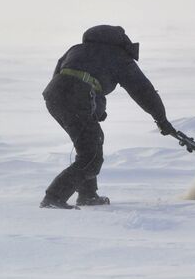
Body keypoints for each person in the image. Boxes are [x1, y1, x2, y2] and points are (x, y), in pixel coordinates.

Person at [40, 25, 176, 209]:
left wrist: (94, 106)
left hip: (54, 96)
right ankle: (54, 197)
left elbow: (65, 77)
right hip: (76, 96)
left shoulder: (77, 49)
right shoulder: (118, 57)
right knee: (91, 154)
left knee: (89, 144)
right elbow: (144, 91)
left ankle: (87, 195)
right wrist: (161, 120)